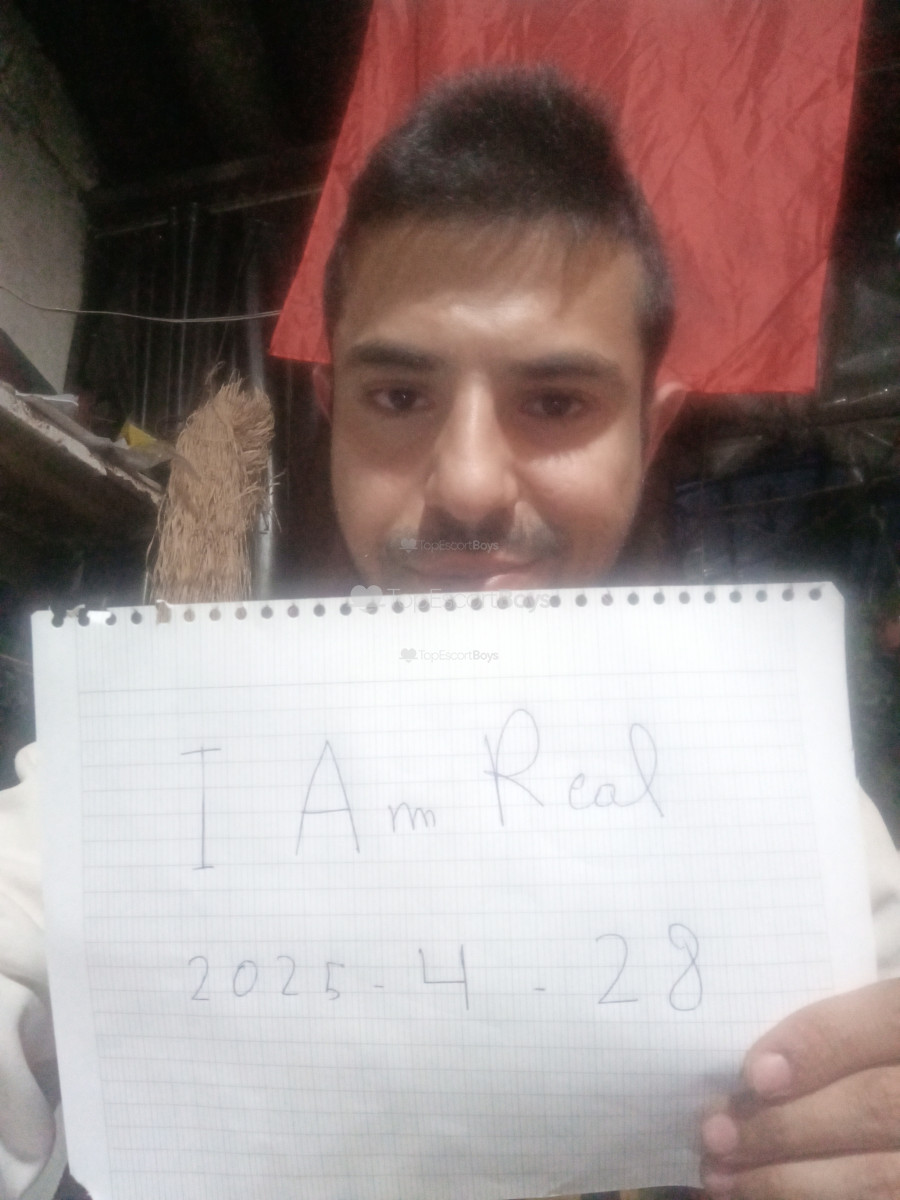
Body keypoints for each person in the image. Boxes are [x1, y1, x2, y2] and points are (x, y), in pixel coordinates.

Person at [3, 66, 900, 1200]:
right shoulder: (131, 771)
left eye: (557, 402)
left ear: (648, 426)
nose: (470, 484)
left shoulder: (805, 822)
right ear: (330, 409)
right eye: (398, 397)